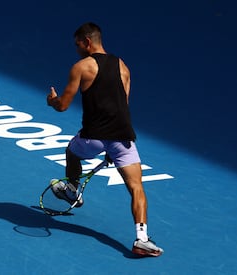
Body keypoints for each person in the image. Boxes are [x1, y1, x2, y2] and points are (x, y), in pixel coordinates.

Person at [46, 22, 163, 257]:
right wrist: (115, 141)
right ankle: (142, 239)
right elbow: (124, 105)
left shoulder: (81, 66)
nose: (77, 48)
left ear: (87, 42)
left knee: (72, 150)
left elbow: (63, 106)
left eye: (78, 44)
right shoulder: (123, 66)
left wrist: (52, 101)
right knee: (136, 187)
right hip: (123, 137)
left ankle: (72, 190)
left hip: (94, 138)